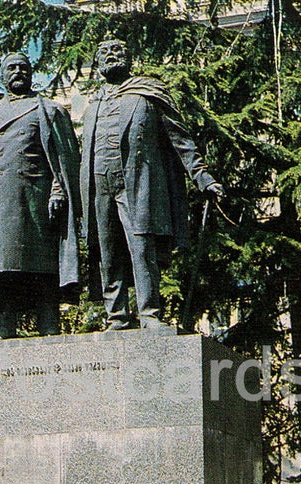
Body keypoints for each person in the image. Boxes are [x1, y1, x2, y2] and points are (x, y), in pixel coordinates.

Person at [80, 39, 224, 330]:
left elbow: (181, 141)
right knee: (107, 252)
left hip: (137, 183)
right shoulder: (93, 103)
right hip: (98, 185)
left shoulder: (148, 93)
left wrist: (202, 176)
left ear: (129, 58)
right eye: (104, 53)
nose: (111, 56)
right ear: (96, 63)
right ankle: (117, 316)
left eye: (117, 51)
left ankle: (149, 313)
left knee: (141, 248)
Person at [0, 52, 82, 338]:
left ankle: (49, 323)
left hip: (38, 202)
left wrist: (58, 190)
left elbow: (65, 161)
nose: (18, 72)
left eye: (23, 68)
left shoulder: (49, 111)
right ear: (2, 75)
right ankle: (3, 325)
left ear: (31, 73)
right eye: (11, 68)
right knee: (3, 268)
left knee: (43, 266)